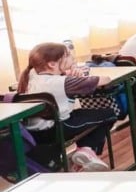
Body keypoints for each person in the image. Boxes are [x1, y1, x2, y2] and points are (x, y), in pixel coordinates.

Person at [18, 42, 113, 171]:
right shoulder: (63, 82)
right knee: (109, 113)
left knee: (83, 113)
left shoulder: (30, 76)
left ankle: (85, 153)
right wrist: (71, 76)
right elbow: (105, 79)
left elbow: (55, 79)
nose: (72, 57)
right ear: (52, 64)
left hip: (35, 132)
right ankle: (86, 150)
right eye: (67, 55)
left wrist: (67, 73)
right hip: (59, 127)